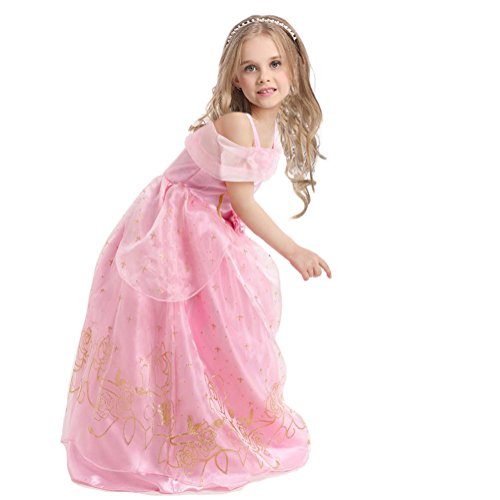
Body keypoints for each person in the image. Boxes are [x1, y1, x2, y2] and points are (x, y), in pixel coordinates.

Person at [60, 14, 332, 494]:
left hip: (205, 222)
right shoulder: (240, 124)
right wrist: (293, 250)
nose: (264, 77)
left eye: (274, 64)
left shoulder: (267, 129)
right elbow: (242, 200)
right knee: (173, 331)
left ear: (294, 69)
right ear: (235, 78)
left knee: (220, 323)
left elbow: (233, 197)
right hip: (171, 225)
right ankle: (160, 440)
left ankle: (212, 415)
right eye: (250, 68)